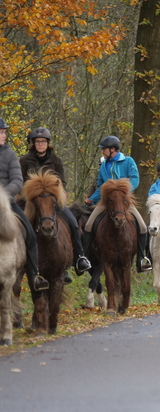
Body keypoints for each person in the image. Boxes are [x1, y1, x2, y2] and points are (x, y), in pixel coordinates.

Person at [19, 127, 92, 281]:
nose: (40, 144)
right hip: (30, 202)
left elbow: (62, 182)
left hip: (52, 201)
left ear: (47, 143)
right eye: (37, 141)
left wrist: (58, 194)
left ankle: (78, 258)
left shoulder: (56, 160)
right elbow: (21, 182)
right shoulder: (24, 161)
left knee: (72, 222)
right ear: (33, 144)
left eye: (43, 141)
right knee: (18, 225)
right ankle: (19, 262)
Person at [83, 135, 152, 272]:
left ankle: (141, 259)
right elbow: (101, 186)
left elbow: (135, 179)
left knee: (143, 227)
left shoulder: (128, 161)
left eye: (104, 149)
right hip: (106, 202)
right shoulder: (103, 166)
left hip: (124, 202)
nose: (102, 152)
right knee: (88, 226)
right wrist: (92, 199)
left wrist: (122, 193)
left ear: (113, 149)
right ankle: (84, 259)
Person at [0, 117, 49, 292]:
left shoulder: (9, 154)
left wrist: (3, 195)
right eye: (1, 132)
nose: (4, 135)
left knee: (29, 232)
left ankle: (35, 274)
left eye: (4, 132)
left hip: (7, 204)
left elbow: (17, 181)